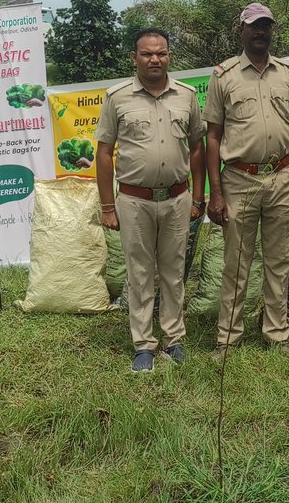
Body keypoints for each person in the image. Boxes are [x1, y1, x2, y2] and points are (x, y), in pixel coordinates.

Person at [204, 2, 289, 360]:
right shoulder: (224, 76)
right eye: (254, 26)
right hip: (239, 180)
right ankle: (228, 338)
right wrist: (215, 194)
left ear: (271, 31)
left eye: (266, 26)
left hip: (282, 177)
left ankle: (276, 333)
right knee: (236, 262)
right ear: (242, 31)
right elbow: (214, 137)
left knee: (279, 261)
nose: (260, 32)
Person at [96, 28, 206, 373]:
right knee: (140, 273)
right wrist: (107, 206)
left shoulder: (187, 96)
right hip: (134, 200)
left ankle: (174, 339)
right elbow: (103, 152)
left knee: (174, 273)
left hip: (177, 199)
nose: (154, 59)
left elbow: (198, 147)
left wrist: (198, 197)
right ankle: (143, 344)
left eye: (161, 53)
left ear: (169, 56)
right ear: (134, 58)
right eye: (146, 54)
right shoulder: (117, 98)